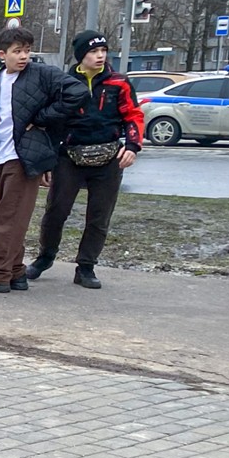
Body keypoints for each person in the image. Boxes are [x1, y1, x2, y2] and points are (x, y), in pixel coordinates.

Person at [0, 27, 89, 294]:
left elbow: (78, 92)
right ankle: (15, 271)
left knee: (8, 219)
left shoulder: (41, 73)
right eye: (17, 51)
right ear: (2, 54)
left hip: (23, 158)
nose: (23, 56)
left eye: (27, 51)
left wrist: (41, 118)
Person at [26, 30, 144, 289]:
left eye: (103, 51)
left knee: (99, 216)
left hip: (108, 157)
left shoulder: (119, 83)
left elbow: (133, 115)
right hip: (69, 156)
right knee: (56, 211)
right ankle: (45, 257)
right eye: (93, 51)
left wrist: (133, 146)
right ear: (81, 56)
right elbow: (52, 122)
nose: (100, 56)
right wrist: (46, 161)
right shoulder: (64, 83)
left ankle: (86, 267)